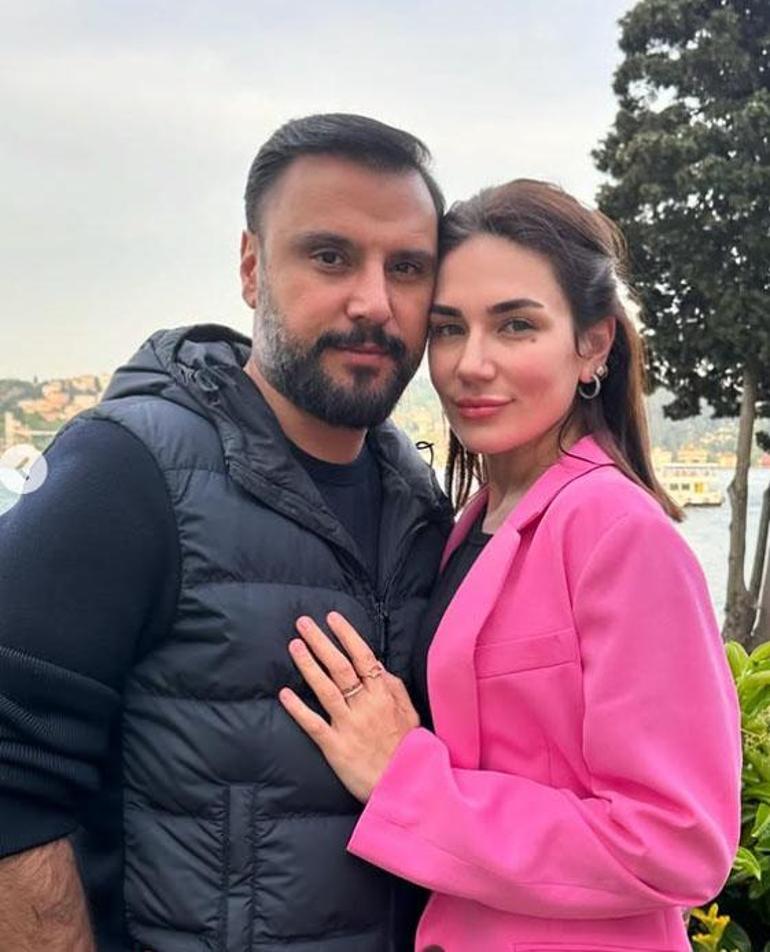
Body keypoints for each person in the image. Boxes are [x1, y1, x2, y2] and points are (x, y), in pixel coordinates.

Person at [0, 114, 454, 951]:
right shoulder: (127, 471)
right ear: (252, 268)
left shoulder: (421, 506)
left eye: (407, 268)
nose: (373, 302)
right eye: (330, 257)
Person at [279, 179, 743, 952]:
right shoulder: (474, 523)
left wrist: (405, 779)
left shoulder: (618, 533)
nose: (471, 364)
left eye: (516, 325)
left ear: (592, 344)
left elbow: (680, 839)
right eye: (448, 328)